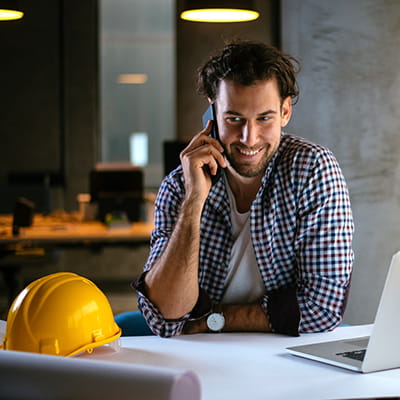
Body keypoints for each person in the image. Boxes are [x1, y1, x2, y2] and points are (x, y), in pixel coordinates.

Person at [120, 40, 354, 338]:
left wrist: (209, 320)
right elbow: (166, 317)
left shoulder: (312, 170)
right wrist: (194, 201)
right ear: (213, 113)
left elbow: (321, 309)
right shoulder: (180, 184)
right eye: (234, 119)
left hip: (288, 358)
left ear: (285, 112)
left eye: (264, 118)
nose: (249, 137)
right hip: (201, 360)